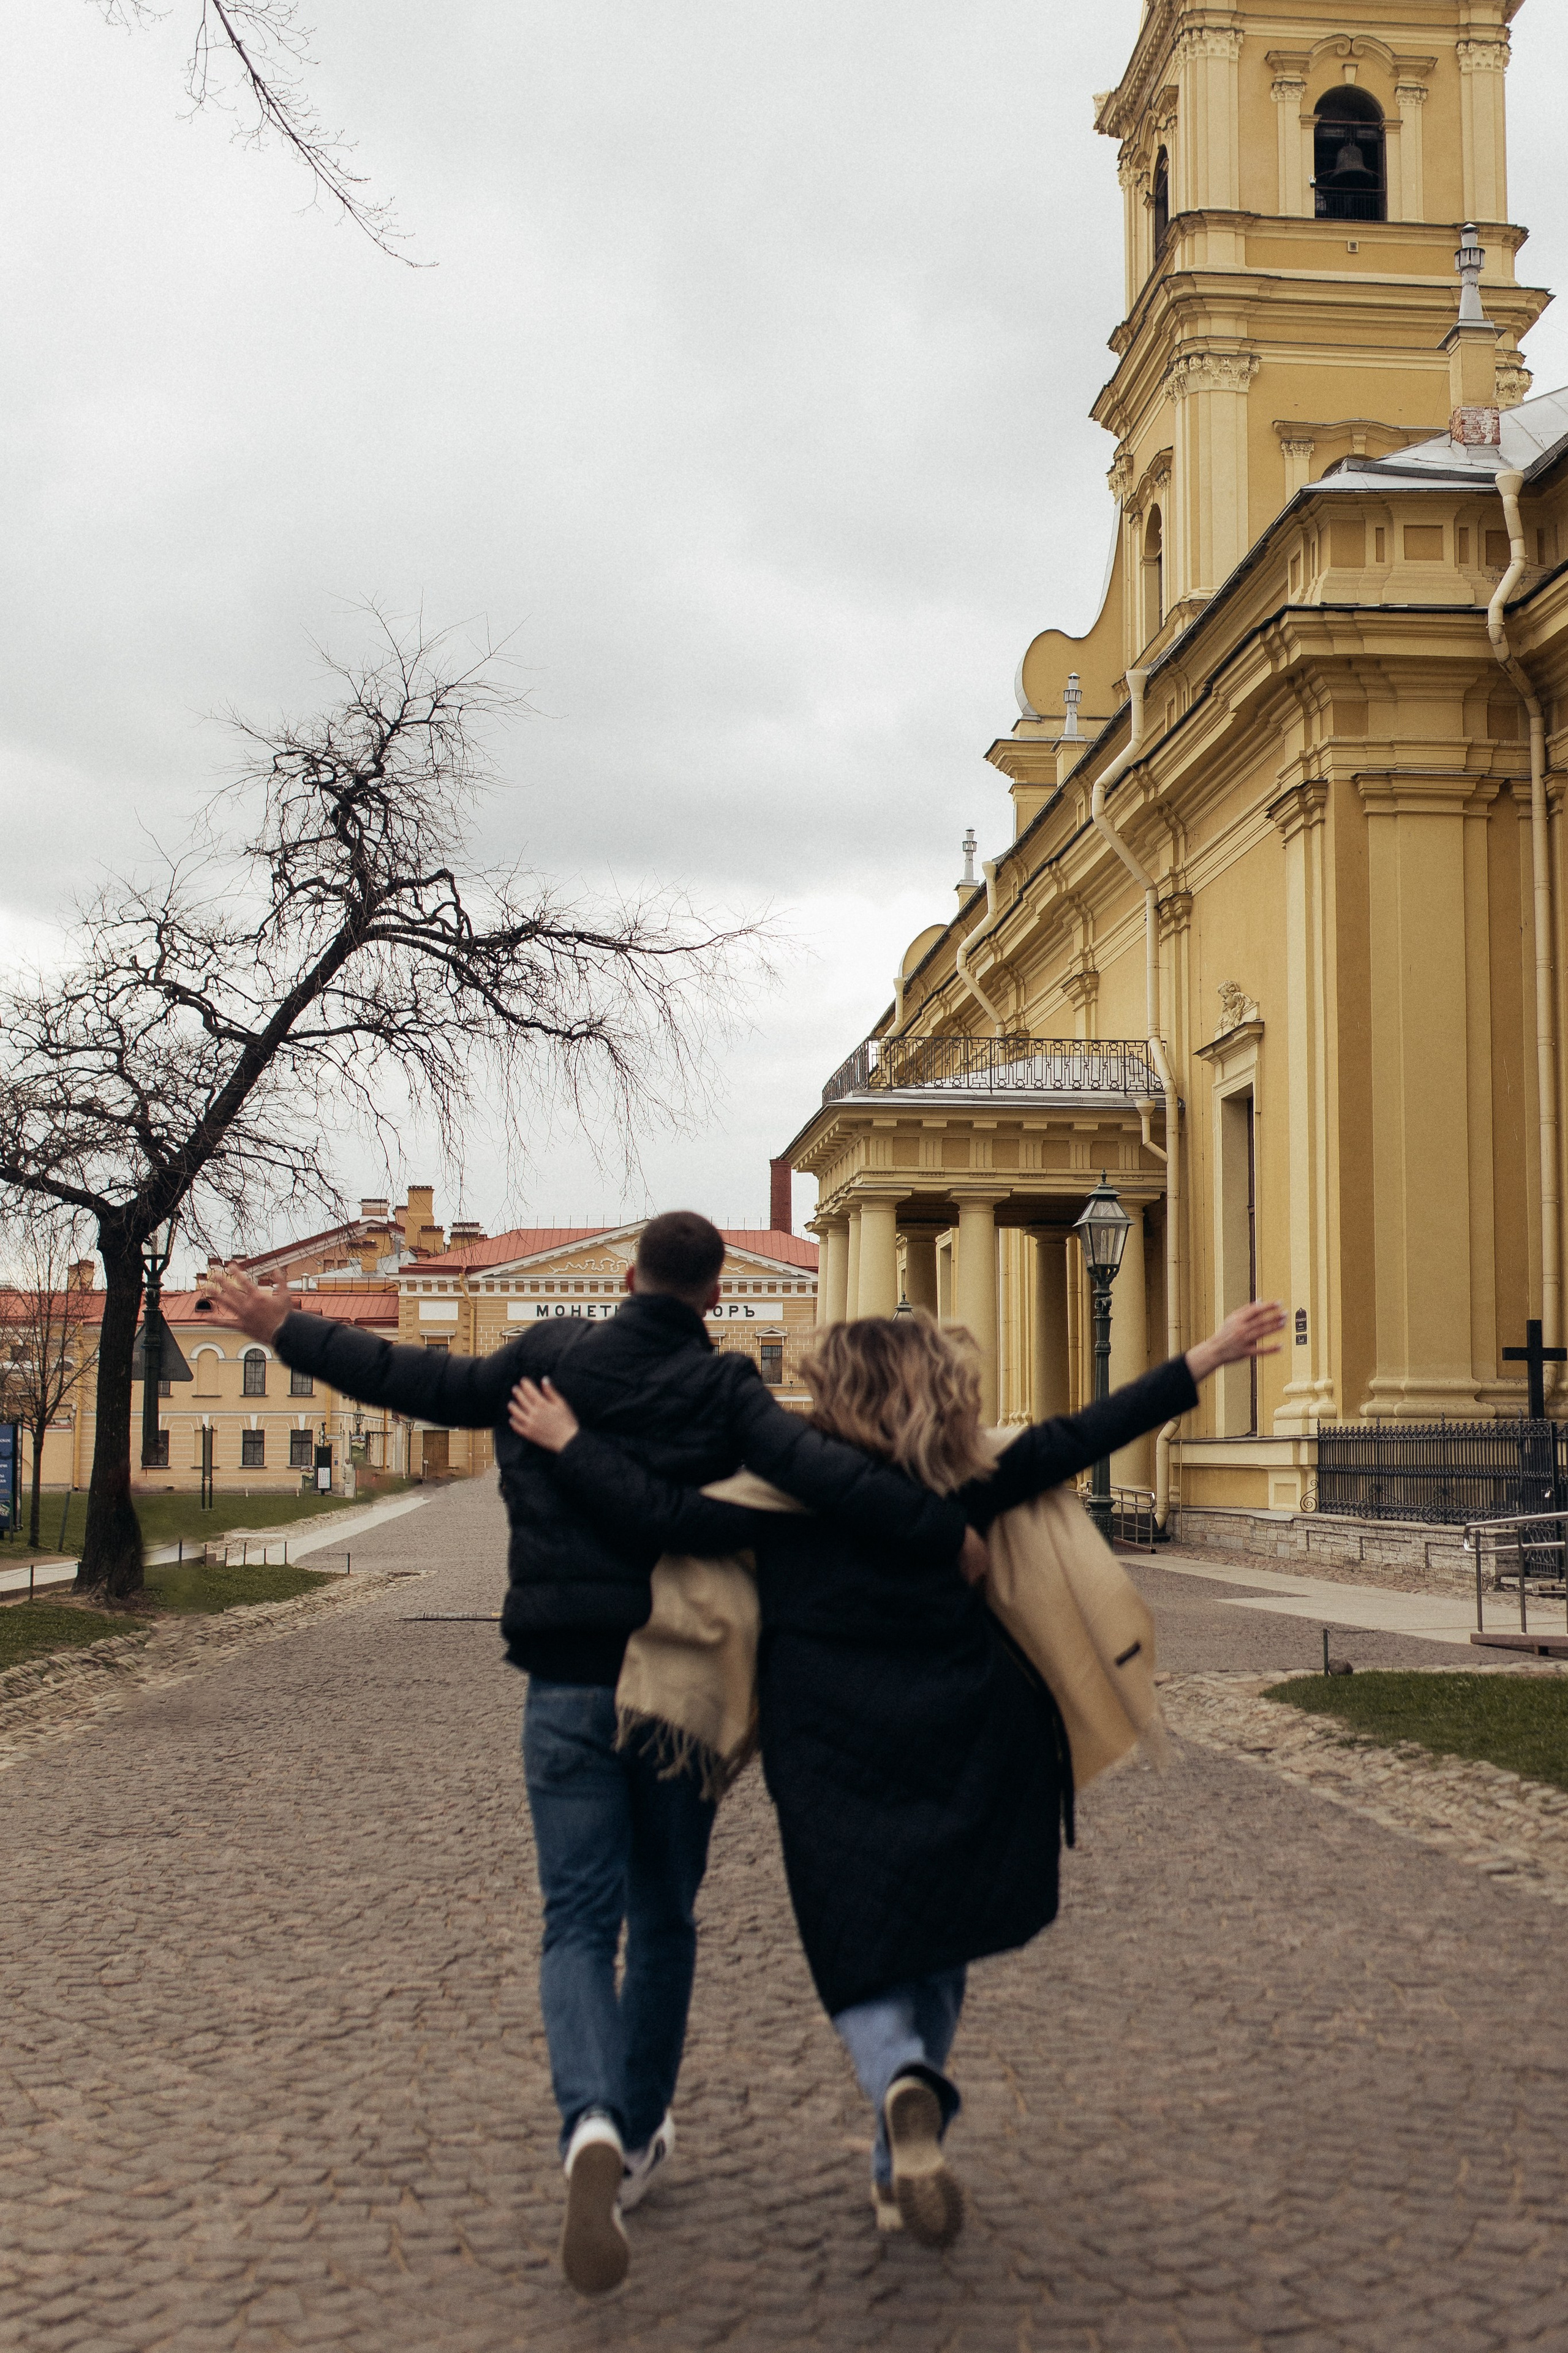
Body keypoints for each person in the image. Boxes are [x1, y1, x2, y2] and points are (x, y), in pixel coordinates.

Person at [203, 1214, 981, 2295]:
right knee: (664, 1913)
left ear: (626, 1278)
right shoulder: (723, 1391)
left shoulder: (545, 1360)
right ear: (713, 1294)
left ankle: (593, 2126)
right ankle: (648, 2122)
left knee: (576, 1918)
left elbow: (414, 1380)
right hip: (676, 1688)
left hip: (565, 1685)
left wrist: (284, 1324)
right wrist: (944, 1532)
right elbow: (820, 1477)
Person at [509, 1297, 1284, 2246]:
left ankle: (898, 2083)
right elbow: (1083, 1432)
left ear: (835, 1390)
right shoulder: (965, 1481)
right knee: (938, 1931)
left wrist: (572, 1438)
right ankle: (898, 2148)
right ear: (936, 1384)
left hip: (829, 1746)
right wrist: (1205, 1355)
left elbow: (658, 1511)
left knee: (856, 1941)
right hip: (968, 1730)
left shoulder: (786, 1495)